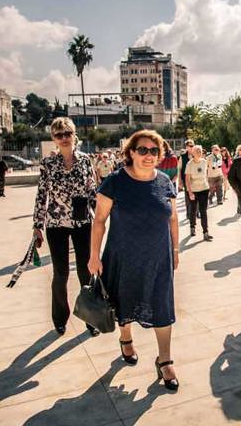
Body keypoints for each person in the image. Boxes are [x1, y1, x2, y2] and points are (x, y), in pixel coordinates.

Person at [88, 129, 179, 390]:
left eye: (154, 151)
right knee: (124, 303)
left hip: (159, 259)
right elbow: (99, 221)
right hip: (123, 257)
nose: (149, 155)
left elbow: (172, 218)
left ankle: (165, 360)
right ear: (130, 152)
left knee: (162, 307)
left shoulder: (164, 181)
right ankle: (126, 338)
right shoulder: (115, 181)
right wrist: (94, 255)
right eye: (143, 150)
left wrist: (175, 251)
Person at [32, 117, 99, 337]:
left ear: (74, 135)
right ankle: (60, 318)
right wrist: (37, 225)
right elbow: (42, 195)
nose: (63, 138)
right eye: (58, 135)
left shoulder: (86, 160)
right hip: (56, 224)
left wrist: (100, 219)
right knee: (60, 274)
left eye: (67, 133)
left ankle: (91, 318)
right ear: (53, 139)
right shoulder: (48, 164)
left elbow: (92, 192)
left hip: (82, 223)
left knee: (85, 272)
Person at [185, 145, 213, 241]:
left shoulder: (204, 162)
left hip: (204, 189)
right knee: (193, 210)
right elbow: (187, 179)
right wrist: (190, 192)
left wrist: (209, 185)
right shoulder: (189, 164)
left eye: (200, 151)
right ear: (193, 153)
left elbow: (206, 175)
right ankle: (192, 227)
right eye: (197, 151)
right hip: (194, 190)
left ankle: (206, 232)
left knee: (203, 211)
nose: (199, 152)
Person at [177, 139, 195, 222]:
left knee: (196, 195)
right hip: (185, 179)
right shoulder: (183, 156)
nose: (190, 147)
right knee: (188, 197)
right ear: (186, 147)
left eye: (192, 146)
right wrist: (180, 181)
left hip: (196, 179)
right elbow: (179, 169)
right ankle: (189, 213)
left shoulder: (197, 155)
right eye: (189, 146)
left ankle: (195, 212)